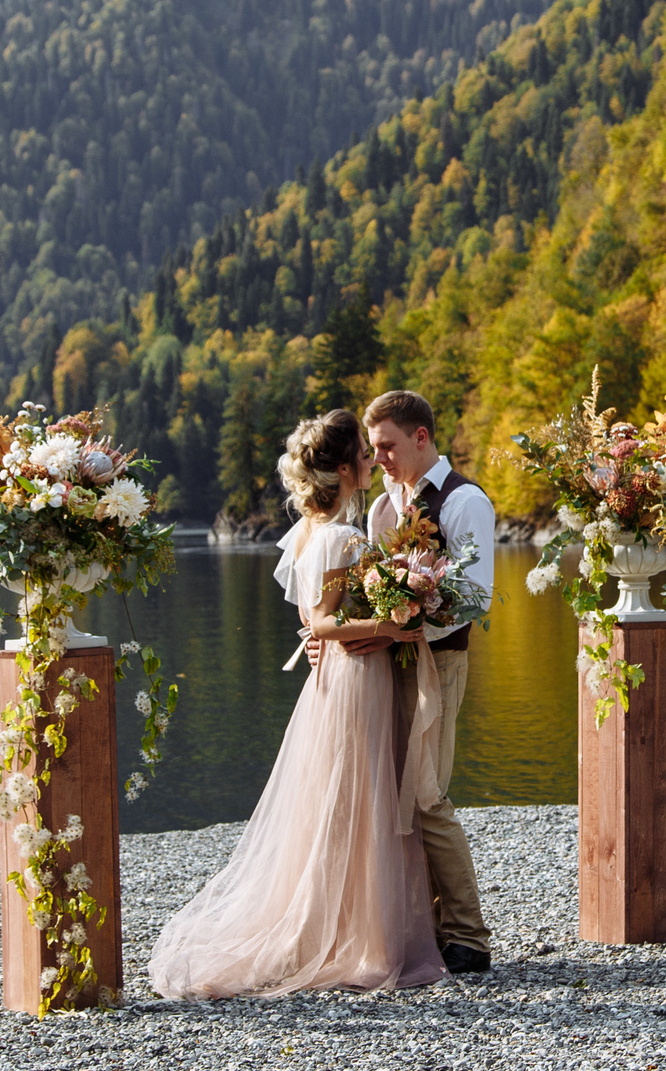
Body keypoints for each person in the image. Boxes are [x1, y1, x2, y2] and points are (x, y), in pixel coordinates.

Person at [146, 411, 443, 997]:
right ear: (341, 469)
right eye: (363, 453)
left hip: (333, 683)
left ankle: (335, 929)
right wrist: (395, 623)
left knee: (334, 806)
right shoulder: (343, 536)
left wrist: (354, 627)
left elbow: (308, 620)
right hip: (356, 679)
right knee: (359, 804)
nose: (370, 460)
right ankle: (355, 941)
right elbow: (325, 622)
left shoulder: (307, 532)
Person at [359, 389, 495, 975]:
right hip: (386, 666)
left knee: (426, 795)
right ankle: (425, 927)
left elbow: (474, 598)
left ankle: (469, 935)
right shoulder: (382, 509)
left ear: (421, 438)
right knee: (394, 795)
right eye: (372, 450)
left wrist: (409, 620)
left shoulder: (466, 501)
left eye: (387, 446)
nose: (379, 459)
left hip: (441, 662)